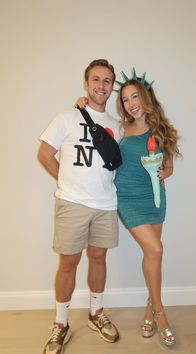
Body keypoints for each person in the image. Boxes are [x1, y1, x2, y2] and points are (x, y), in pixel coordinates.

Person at [76, 70, 180, 347]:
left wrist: (163, 174)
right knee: (156, 250)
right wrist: (82, 104)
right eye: (124, 99)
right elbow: (97, 122)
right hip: (128, 197)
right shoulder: (121, 127)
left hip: (155, 197)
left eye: (134, 96)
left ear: (145, 98)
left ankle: (148, 311)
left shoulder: (162, 130)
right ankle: (160, 313)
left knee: (153, 255)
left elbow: (168, 166)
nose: (130, 103)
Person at [38, 59, 121, 354]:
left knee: (99, 259)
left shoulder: (116, 125)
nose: (101, 85)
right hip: (72, 203)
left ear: (112, 87)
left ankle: (96, 313)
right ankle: (61, 323)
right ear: (86, 84)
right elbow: (45, 154)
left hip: (105, 204)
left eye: (107, 80)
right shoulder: (66, 117)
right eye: (96, 79)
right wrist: (67, 182)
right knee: (69, 263)